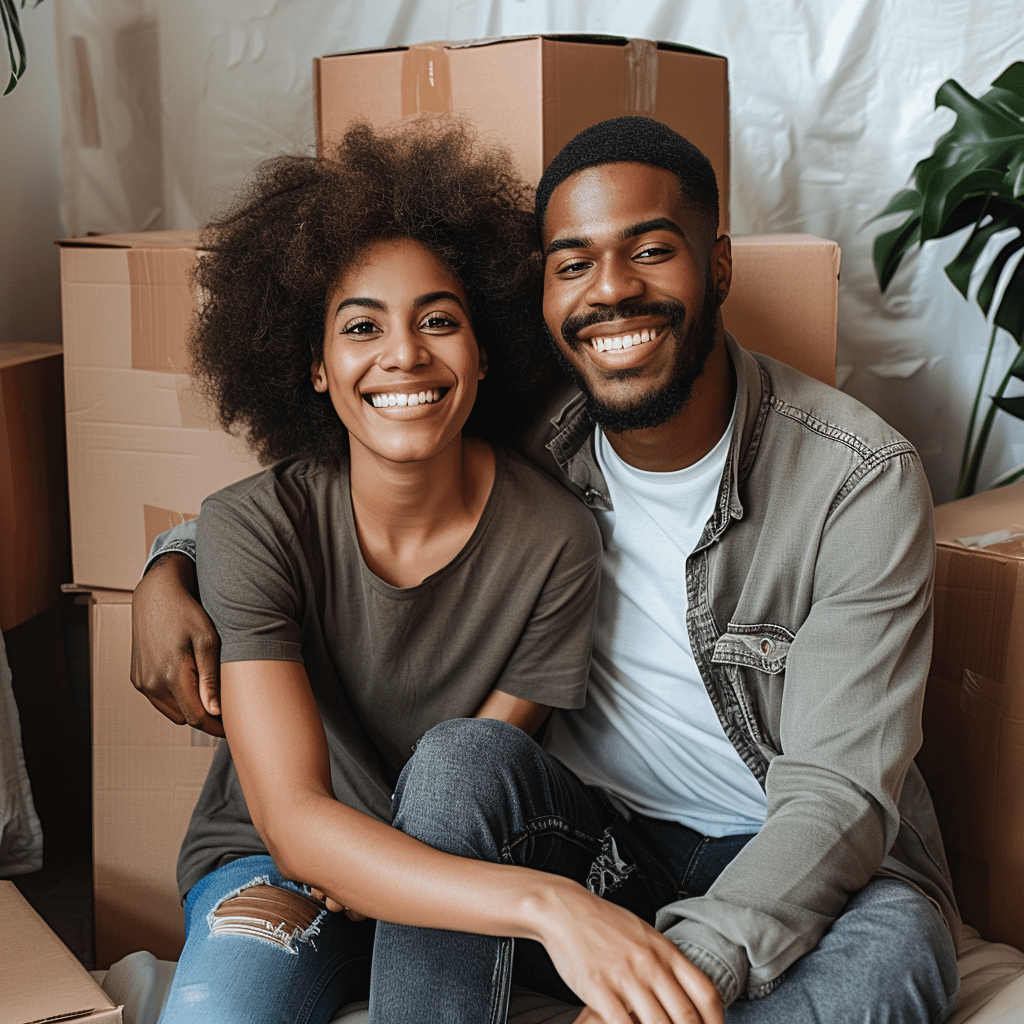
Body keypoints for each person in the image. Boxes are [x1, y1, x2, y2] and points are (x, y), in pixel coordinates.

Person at [134, 117, 962, 1024]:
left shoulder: (856, 478)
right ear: (542, 294)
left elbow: (835, 799)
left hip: (781, 855)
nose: (611, 292)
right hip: (591, 844)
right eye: (573, 264)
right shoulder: (530, 421)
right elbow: (331, 483)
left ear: (717, 265)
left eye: (650, 250)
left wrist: (677, 977)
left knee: (901, 950)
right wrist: (170, 566)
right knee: (461, 762)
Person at [146, 116, 644, 1024]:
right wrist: (551, 906)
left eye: (439, 321)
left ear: (486, 349)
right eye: (361, 326)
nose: (405, 354)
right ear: (314, 366)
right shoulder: (253, 526)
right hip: (280, 864)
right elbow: (295, 823)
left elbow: (470, 780)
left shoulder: (558, 543)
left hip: (449, 867)